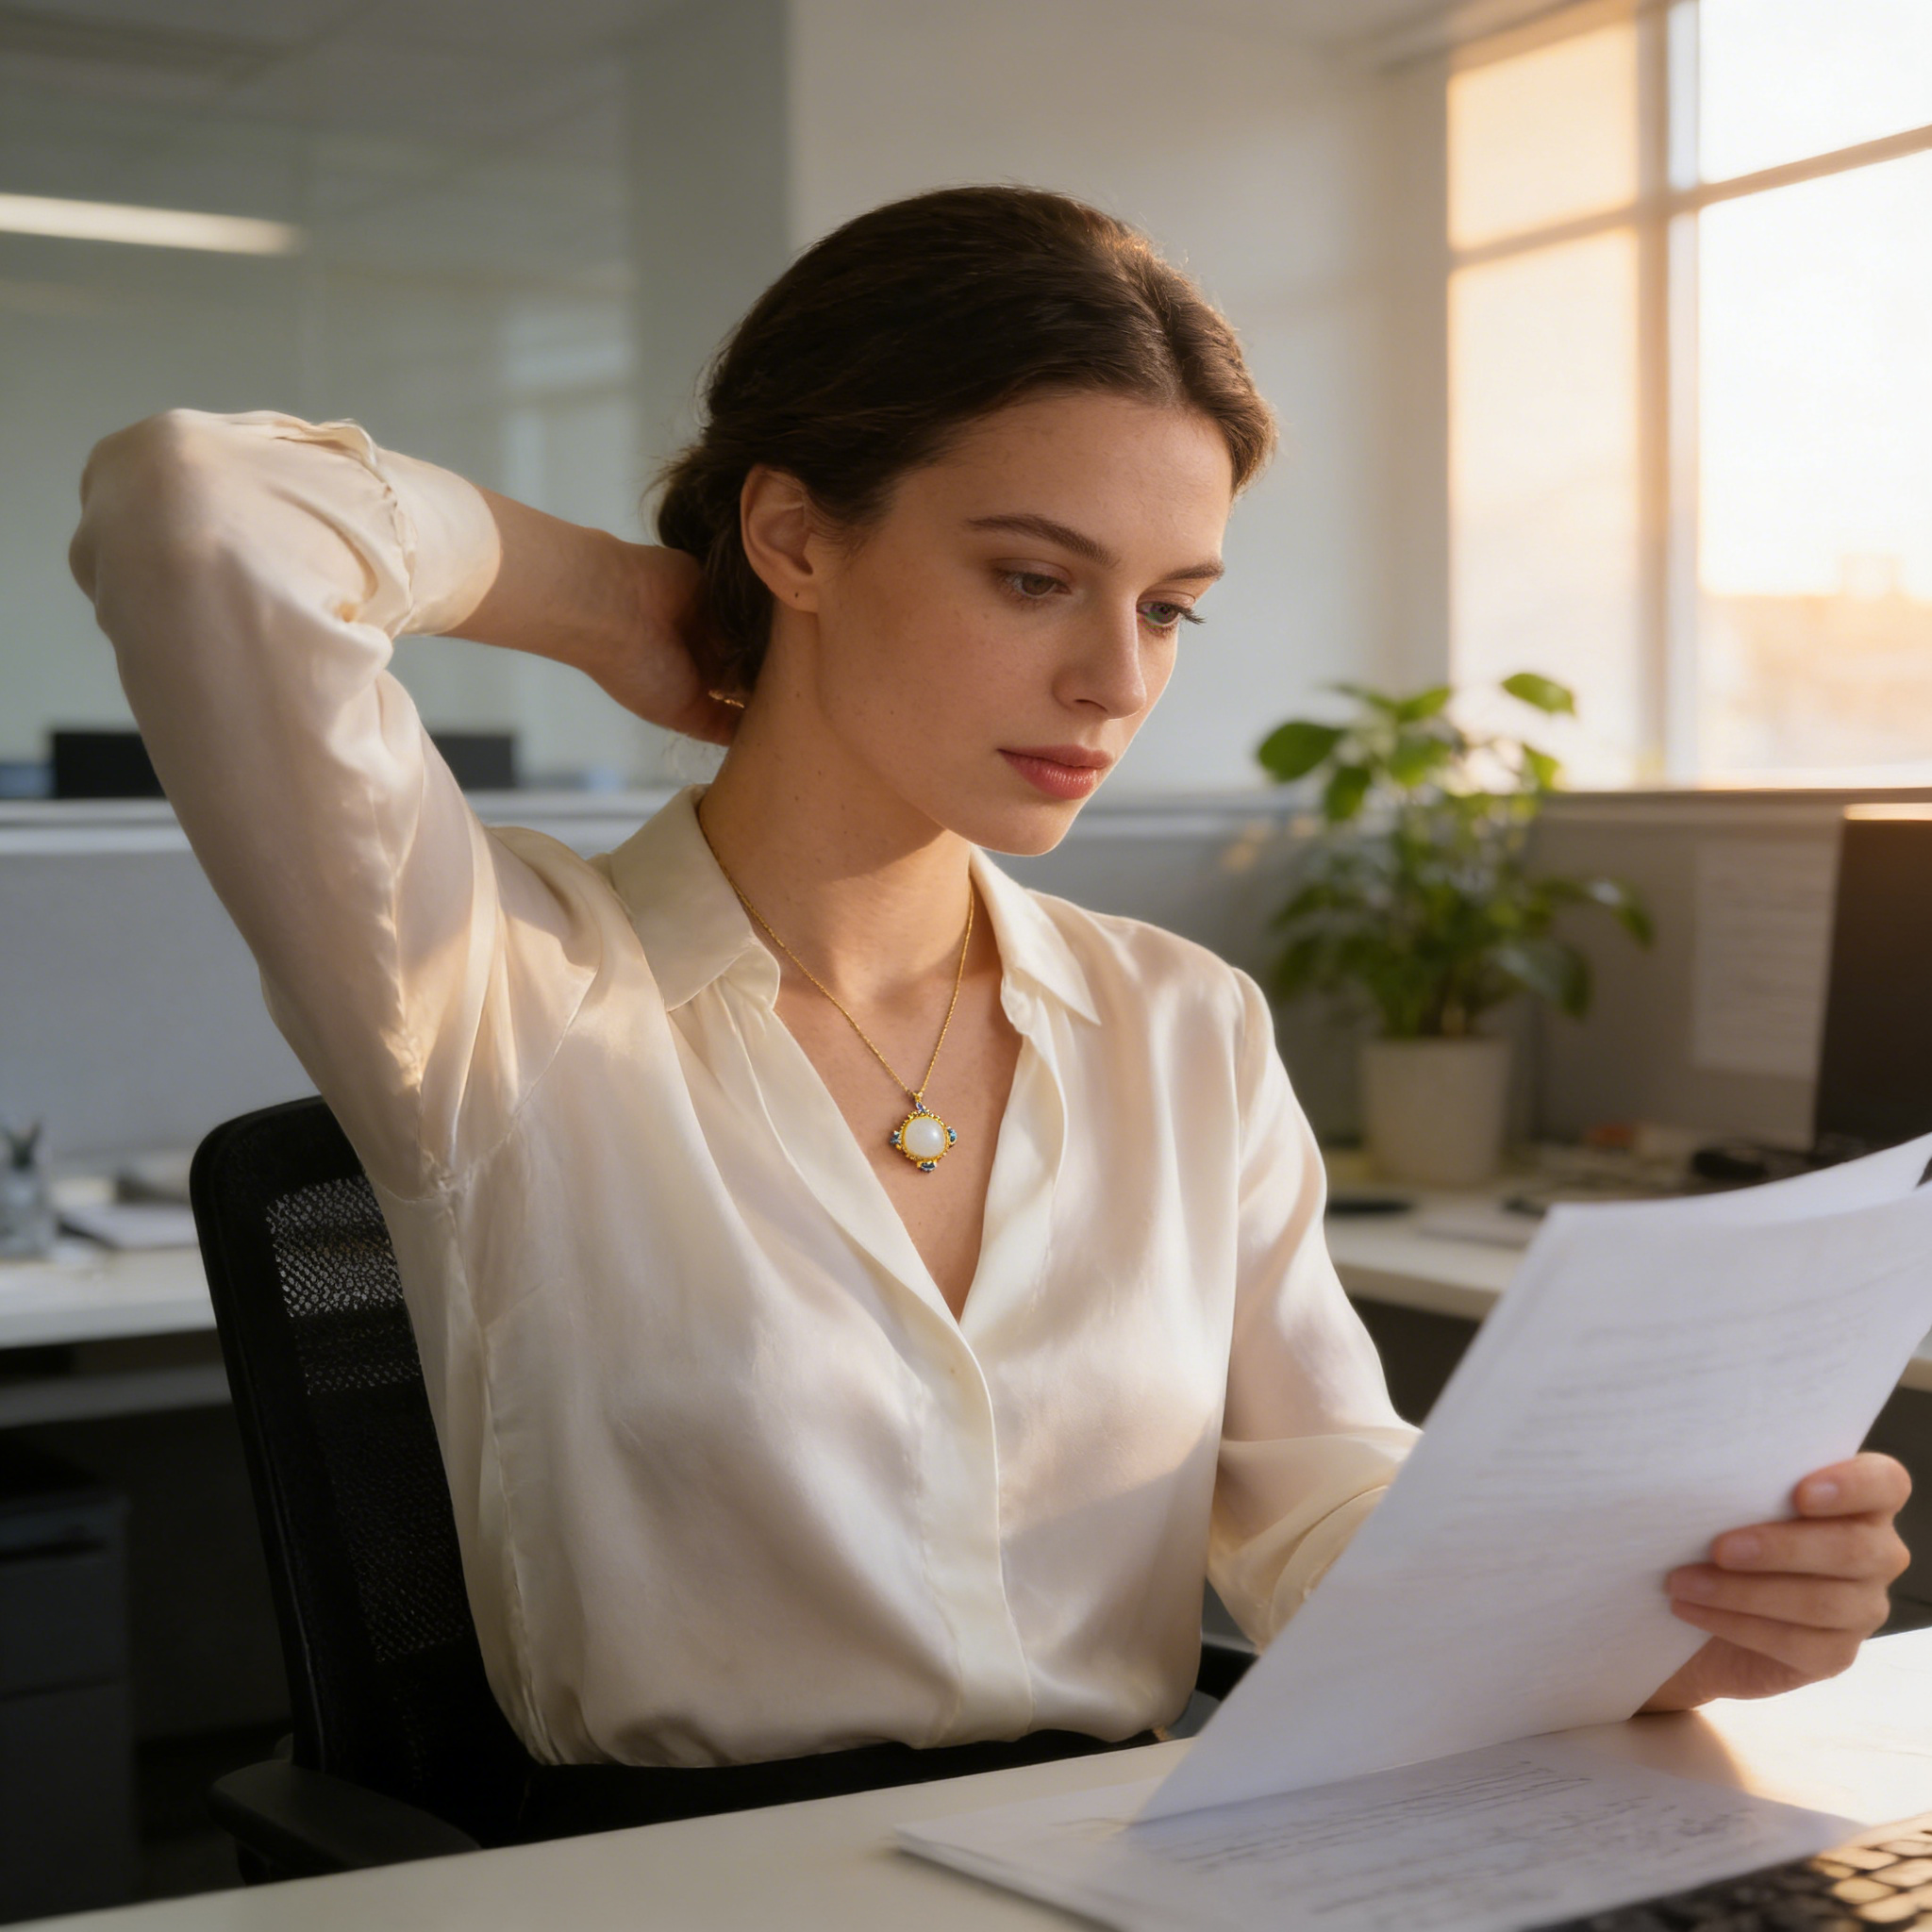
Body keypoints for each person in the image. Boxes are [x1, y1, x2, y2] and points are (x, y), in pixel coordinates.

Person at [69, 187, 1907, 1796]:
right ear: (796, 538)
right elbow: (200, 511)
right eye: (1036, 577)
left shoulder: (1182, 1025)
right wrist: (627, 604)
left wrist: (1658, 1613)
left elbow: (1321, 1501)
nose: (1118, 679)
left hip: (1106, 1855)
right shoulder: (497, 988)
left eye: (1168, 606)